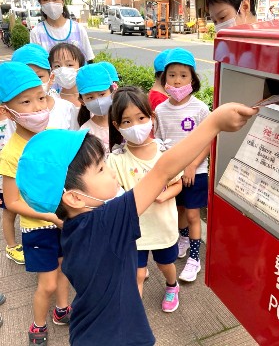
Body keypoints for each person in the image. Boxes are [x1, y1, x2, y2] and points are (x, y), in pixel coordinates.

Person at [15, 102, 258, 346]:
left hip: (87, 331)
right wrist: (214, 123)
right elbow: (163, 170)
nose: (110, 172)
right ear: (74, 197)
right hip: (121, 338)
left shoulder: (72, 225)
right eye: (100, 168)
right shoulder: (105, 222)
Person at [0, 62, 71, 346]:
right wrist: (49, 216)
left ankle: (62, 310)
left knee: (65, 269)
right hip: (37, 228)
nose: (38, 107)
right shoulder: (10, 153)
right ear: (7, 111)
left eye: (40, 97)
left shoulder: (51, 138)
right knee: (48, 282)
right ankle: (37, 325)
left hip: (62, 222)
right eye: (26, 102)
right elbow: (11, 201)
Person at [107, 86, 182, 312]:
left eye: (141, 118)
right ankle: (132, 317)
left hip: (162, 226)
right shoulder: (116, 159)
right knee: (138, 273)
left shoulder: (164, 154)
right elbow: (113, 193)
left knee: (165, 264)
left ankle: (172, 285)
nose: (136, 126)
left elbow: (178, 184)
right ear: (117, 126)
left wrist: (162, 195)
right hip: (134, 231)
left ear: (152, 117)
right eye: (127, 122)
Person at [155, 48, 210, 282]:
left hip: (195, 172)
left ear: (193, 79)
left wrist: (191, 166)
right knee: (177, 211)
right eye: (172, 75)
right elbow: (159, 142)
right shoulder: (159, 110)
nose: (177, 80)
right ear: (164, 78)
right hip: (172, 175)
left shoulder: (199, 109)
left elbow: (208, 141)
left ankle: (194, 259)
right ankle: (184, 238)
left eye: (184, 75)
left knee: (193, 214)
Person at [12, 43, 78, 130]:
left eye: (39, 77)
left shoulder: (66, 109)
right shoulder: (10, 115)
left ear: (51, 77)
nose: (32, 83)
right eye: (24, 77)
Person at [30, 0, 94, 63]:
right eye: (45, 0)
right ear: (40, 3)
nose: (51, 4)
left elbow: (89, 59)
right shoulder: (36, 32)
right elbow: (37, 65)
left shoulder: (78, 29)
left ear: (63, 1)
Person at [0, 100, 21, 264]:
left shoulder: (12, 118)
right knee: (9, 211)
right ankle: (11, 246)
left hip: (19, 169)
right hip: (3, 177)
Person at [76, 63, 114, 154]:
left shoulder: (125, 120)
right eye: (90, 97)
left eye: (102, 94)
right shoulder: (85, 132)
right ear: (82, 101)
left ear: (113, 92)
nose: (98, 101)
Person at [49, 42, 86, 109]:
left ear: (80, 67)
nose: (63, 70)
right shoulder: (52, 99)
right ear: (52, 70)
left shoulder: (90, 96)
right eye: (57, 66)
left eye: (69, 65)